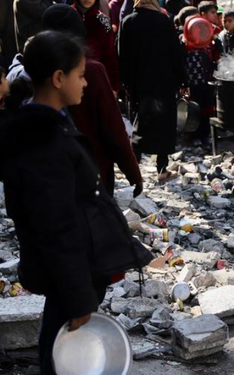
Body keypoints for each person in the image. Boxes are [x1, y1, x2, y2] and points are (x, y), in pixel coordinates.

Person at [0, 30, 153, 375]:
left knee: (57, 333)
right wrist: (79, 292)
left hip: (74, 265)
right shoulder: (43, 138)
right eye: (80, 75)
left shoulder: (50, 122)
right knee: (60, 342)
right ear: (57, 78)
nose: (85, 83)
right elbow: (55, 225)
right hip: (69, 268)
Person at [43, 4, 142, 196]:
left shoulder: (34, 69)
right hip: (91, 170)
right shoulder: (91, 71)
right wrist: (133, 172)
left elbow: (111, 54)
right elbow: (113, 128)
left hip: (50, 173)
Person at [119, 0, 187, 182]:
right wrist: (183, 80)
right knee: (164, 125)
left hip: (138, 83)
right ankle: (162, 170)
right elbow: (175, 53)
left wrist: (125, 83)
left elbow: (122, 55)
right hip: (163, 83)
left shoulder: (128, 21)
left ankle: (133, 168)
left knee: (139, 122)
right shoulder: (163, 20)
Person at [183, 15, 218, 146]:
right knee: (194, 110)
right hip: (193, 83)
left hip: (207, 81)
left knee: (208, 109)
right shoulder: (185, 46)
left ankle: (206, 134)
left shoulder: (210, 44)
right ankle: (194, 135)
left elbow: (217, 58)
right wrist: (183, 83)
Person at [73, 0, 121, 93]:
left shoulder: (103, 21)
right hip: (70, 83)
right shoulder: (68, 16)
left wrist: (113, 87)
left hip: (96, 84)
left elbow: (109, 56)